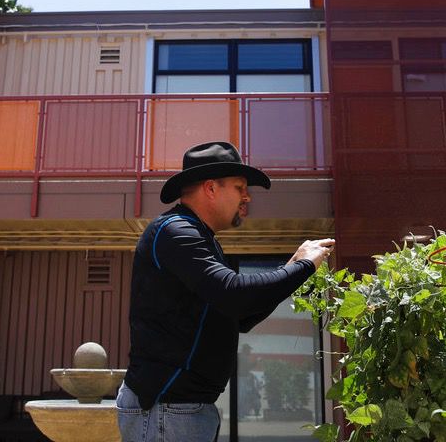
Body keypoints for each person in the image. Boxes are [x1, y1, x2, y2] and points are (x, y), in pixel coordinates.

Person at [116, 141, 335, 442]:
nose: (247, 197)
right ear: (210, 188)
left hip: (181, 408)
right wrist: (304, 267)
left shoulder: (201, 239)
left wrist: (294, 264)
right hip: (166, 407)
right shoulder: (176, 231)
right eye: (239, 187)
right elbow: (233, 294)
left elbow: (239, 314)